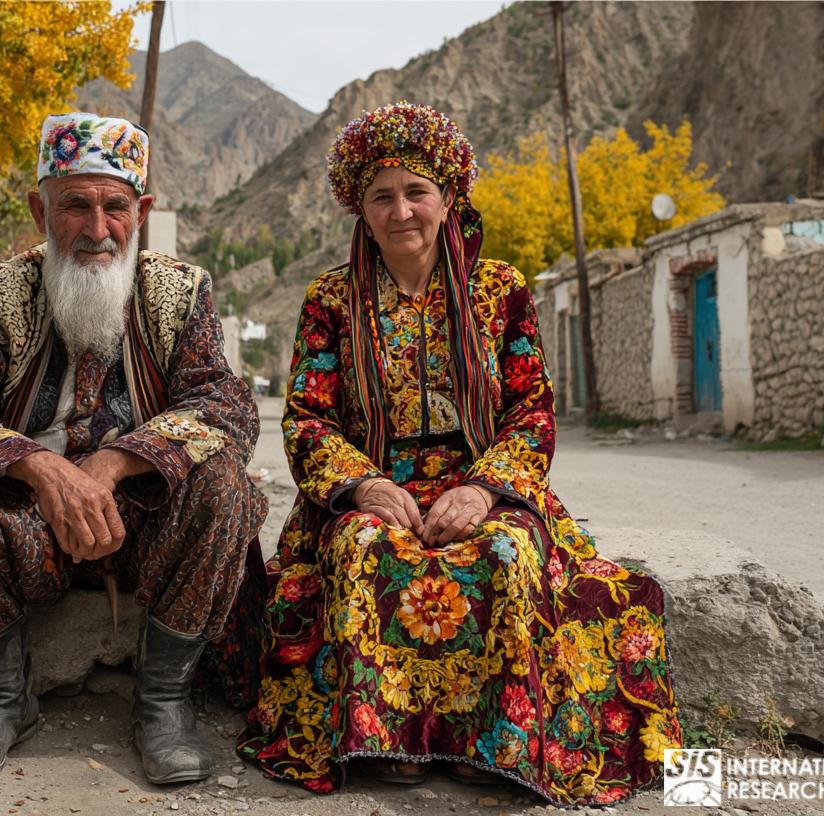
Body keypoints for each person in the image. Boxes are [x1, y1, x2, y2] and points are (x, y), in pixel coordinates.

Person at [237, 102, 681, 806]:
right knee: (360, 549)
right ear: (361, 208)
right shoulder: (329, 298)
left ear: (448, 199)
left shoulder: (500, 291)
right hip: (377, 483)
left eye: (417, 192)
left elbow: (531, 409)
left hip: (485, 482)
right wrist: (363, 488)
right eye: (382, 195)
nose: (401, 210)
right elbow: (308, 416)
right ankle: (387, 738)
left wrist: (482, 491)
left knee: (505, 553)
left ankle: (496, 741)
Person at [0, 112, 267, 785]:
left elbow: (226, 404)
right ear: (42, 208)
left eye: (115, 207)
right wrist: (37, 469)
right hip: (26, 529)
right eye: (76, 206)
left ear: (141, 210)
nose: (97, 230)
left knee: (225, 482)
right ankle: (3, 700)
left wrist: (114, 461)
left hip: (144, 527)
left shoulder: (182, 292)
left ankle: (163, 702)